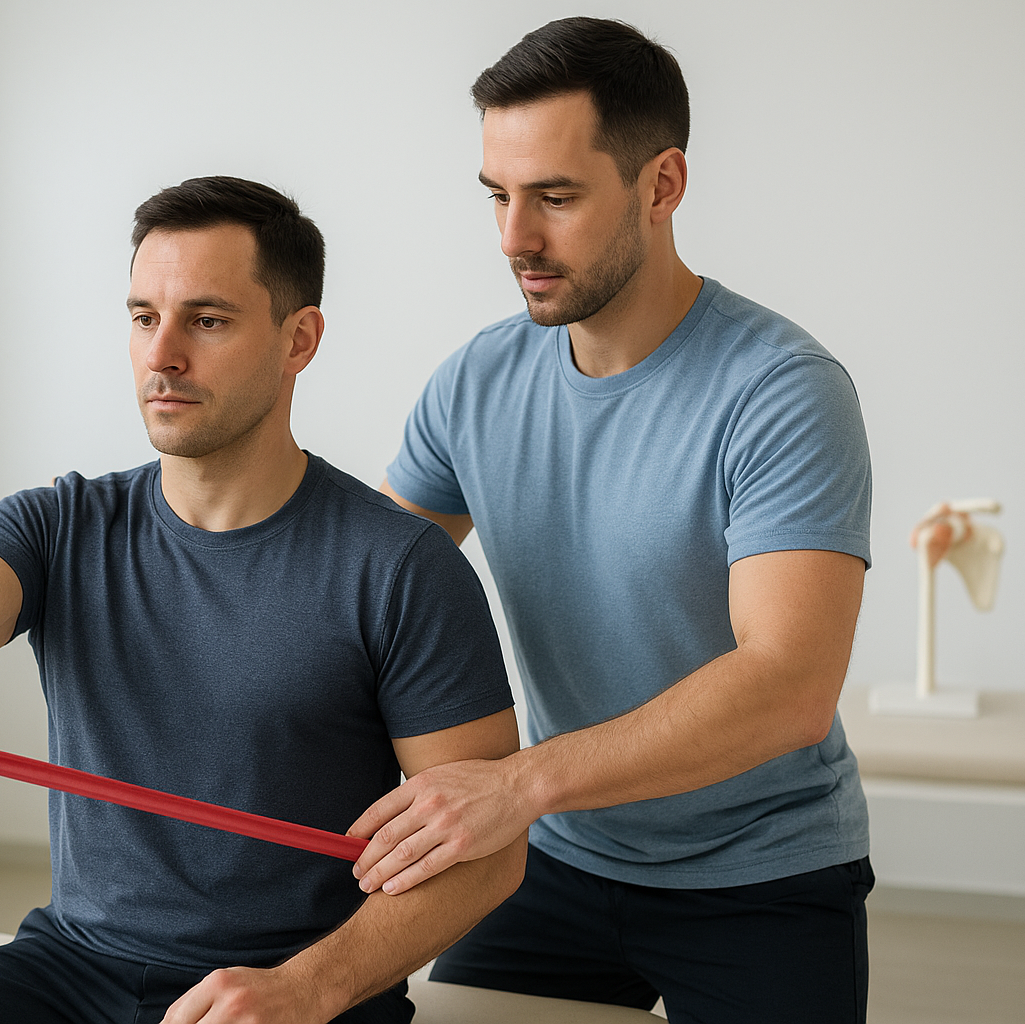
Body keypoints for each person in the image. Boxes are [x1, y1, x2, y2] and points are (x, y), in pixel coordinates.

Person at [0, 175, 525, 1024]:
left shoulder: (401, 566)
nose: (161, 354)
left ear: (299, 339)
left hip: (295, 991)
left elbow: (485, 856)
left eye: (206, 320)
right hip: (72, 965)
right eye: (144, 317)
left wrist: (312, 988)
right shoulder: (62, 525)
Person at [347, 18, 875, 1023]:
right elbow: (360, 591)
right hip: (556, 861)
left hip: (761, 874)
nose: (514, 238)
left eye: (555, 197)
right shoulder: (476, 383)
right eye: (498, 196)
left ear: (661, 185)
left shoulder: (783, 390)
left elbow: (788, 687)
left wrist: (518, 785)